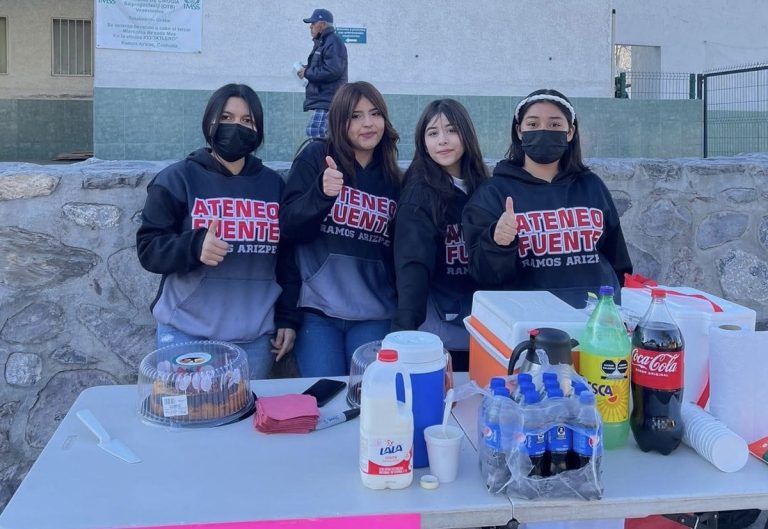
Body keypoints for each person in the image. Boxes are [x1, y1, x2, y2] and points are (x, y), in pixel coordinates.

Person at [136, 83, 301, 379]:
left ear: (258, 129)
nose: (236, 126)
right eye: (226, 117)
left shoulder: (273, 186)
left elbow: (287, 260)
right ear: (210, 121)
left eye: (247, 120)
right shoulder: (176, 179)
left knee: (244, 423)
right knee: (187, 421)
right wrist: (194, 246)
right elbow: (149, 250)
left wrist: (287, 318)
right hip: (186, 334)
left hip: (254, 339)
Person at [462, 89, 632, 308]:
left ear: (570, 132)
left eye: (554, 125)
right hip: (528, 319)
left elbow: (617, 259)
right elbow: (483, 275)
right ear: (519, 131)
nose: (543, 131)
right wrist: (498, 243)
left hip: (595, 319)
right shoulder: (493, 193)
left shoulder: (592, 185)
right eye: (532, 124)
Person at [280, 81, 402, 376]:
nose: (368, 124)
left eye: (375, 114)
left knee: (371, 399)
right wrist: (320, 195)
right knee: (326, 400)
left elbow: (400, 251)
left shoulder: (394, 178)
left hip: (375, 313)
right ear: (339, 121)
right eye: (355, 116)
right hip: (318, 313)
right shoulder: (316, 158)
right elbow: (287, 228)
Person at [391, 99, 488, 371]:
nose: (442, 141)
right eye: (433, 133)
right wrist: (405, 331)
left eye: (452, 130)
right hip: (442, 332)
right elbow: (412, 265)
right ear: (423, 142)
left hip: (485, 326)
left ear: (466, 134)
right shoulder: (420, 194)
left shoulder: (484, 187)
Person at [297, 8, 348, 139]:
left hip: (328, 100)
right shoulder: (324, 42)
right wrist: (306, 68)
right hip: (324, 99)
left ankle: (321, 159)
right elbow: (325, 66)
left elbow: (333, 70)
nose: (310, 26)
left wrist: (307, 72)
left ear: (323, 24)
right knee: (324, 135)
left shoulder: (333, 42)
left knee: (316, 132)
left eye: (313, 23)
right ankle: (325, 158)